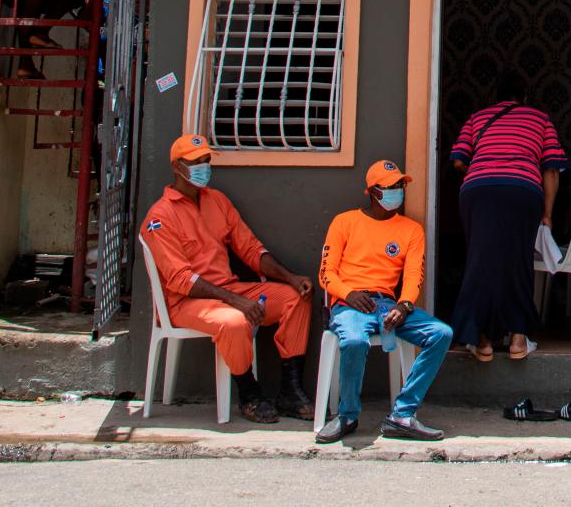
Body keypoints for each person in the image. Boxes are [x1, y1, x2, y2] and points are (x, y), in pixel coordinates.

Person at [139, 134, 315, 423]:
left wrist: (291, 277)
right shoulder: (160, 216)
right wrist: (236, 302)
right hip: (186, 303)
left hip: (230, 290)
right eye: (196, 162)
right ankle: (249, 394)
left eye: (207, 161)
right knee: (234, 321)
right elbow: (181, 279)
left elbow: (250, 249)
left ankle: (290, 391)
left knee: (296, 299)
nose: (204, 167)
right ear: (177, 167)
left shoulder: (217, 201)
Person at [315, 159, 454, 444]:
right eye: (391, 187)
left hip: (388, 305)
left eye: (400, 186)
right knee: (354, 341)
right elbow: (326, 273)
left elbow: (414, 274)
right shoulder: (345, 222)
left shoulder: (411, 230)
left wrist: (404, 305)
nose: (398, 192)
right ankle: (347, 416)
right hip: (350, 303)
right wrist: (348, 294)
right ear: (373, 192)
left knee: (441, 333)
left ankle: (402, 415)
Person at [449, 85, 570, 362]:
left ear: (495, 99)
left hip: (477, 191)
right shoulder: (539, 119)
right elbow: (551, 169)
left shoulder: (477, 117)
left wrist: (484, 171)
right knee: (518, 260)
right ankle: (517, 340)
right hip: (521, 190)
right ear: (525, 98)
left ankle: (482, 342)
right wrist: (547, 214)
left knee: (480, 260)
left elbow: (458, 162)